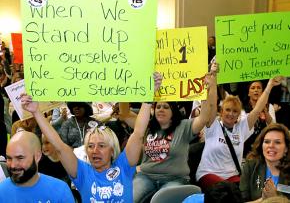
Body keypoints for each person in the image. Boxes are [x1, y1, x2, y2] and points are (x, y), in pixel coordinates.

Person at [21, 73, 163, 203]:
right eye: (90, 146)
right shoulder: (82, 173)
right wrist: (36, 112)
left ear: (112, 150)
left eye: (101, 146)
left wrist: (149, 97)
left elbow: (138, 133)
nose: (95, 150)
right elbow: (58, 145)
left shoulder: (124, 166)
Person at [119, 64, 218, 203]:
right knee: (127, 199)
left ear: (173, 111)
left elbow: (205, 117)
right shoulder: (146, 126)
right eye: (158, 106)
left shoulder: (184, 126)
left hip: (175, 180)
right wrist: (123, 82)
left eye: (166, 107)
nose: (161, 109)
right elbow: (123, 113)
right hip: (146, 177)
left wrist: (208, 88)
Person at [196, 76, 283, 191]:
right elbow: (211, 104)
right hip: (208, 174)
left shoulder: (242, 128)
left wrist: (270, 85)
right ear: (221, 112)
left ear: (239, 115)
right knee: (227, 191)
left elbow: (257, 109)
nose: (231, 114)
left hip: (232, 177)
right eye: (227, 110)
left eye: (235, 111)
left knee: (246, 191)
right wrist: (212, 83)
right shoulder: (213, 125)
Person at [0, 131, 74, 202]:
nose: (13, 165)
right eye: (9, 158)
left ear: (37, 157)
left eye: (20, 158)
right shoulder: (2, 191)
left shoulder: (60, 191)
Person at [240, 123, 290, 202]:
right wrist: (263, 200)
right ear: (261, 145)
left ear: (286, 148)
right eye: (267, 142)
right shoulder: (250, 166)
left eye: (277, 142)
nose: (271, 145)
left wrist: (276, 198)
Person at [242, 81, 276, 158]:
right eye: (253, 88)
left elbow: (274, 126)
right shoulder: (242, 108)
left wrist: (265, 111)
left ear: (263, 92)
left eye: (259, 88)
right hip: (247, 149)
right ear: (248, 93)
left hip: (264, 147)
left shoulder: (269, 106)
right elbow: (243, 128)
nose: (256, 90)